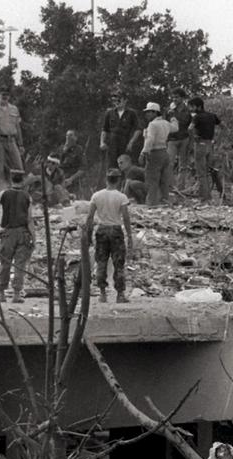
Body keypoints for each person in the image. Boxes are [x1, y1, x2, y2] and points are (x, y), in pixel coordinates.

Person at [0, 171, 35, 303]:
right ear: (23, 181)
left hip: (7, 233)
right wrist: (34, 237)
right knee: (20, 265)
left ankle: (2, 294)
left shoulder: (3, 194)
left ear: (11, 180)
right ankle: (16, 295)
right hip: (22, 233)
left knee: (5, 263)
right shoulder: (27, 197)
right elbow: (29, 219)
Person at [89, 169, 134, 303]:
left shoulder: (96, 196)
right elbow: (126, 217)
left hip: (101, 230)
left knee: (101, 262)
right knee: (118, 263)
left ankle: (102, 294)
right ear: (119, 180)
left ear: (106, 179)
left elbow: (90, 216)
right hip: (115, 230)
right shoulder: (121, 197)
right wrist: (130, 235)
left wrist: (88, 233)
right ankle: (120, 294)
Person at [139, 102, 178, 206]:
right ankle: (164, 200)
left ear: (154, 113)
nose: (147, 114)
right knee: (164, 179)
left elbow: (150, 139)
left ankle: (151, 203)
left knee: (152, 179)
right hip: (164, 152)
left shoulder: (152, 125)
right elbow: (175, 128)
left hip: (154, 152)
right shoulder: (165, 123)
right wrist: (173, 117)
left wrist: (144, 152)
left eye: (148, 112)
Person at [188, 97, 221, 202]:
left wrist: (194, 137)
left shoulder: (197, 117)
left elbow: (190, 129)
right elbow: (224, 127)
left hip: (200, 144)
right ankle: (209, 196)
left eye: (192, 106)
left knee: (201, 173)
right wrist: (216, 140)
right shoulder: (212, 116)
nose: (190, 108)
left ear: (198, 106)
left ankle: (205, 198)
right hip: (210, 145)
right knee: (207, 172)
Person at [100, 93, 142, 173]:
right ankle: (111, 184)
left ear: (125, 100)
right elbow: (104, 129)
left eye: (119, 100)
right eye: (115, 100)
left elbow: (138, 129)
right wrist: (102, 142)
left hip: (124, 142)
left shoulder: (131, 113)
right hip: (112, 143)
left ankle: (124, 184)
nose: (117, 102)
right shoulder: (109, 113)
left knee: (124, 165)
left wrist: (131, 142)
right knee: (111, 166)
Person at [0, 87, 24, 185]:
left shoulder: (14, 109)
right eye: (2, 95)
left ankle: (18, 190)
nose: (4, 97)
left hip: (12, 140)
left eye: (6, 95)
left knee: (19, 167)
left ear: (9, 96)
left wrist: (21, 144)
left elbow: (18, 127)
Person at [166, 88, 192, 190]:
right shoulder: (169, 111)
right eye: (173, 97)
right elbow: (165, 124)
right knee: (169, 163)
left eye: (176, 97)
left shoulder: (189, 110)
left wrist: (191, 141)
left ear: (182, 98)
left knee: (183, 165)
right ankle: (170, 186)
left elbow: (191, 126)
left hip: (184, 138)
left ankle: (181, 187)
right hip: (172, 139)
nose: (174, 99)